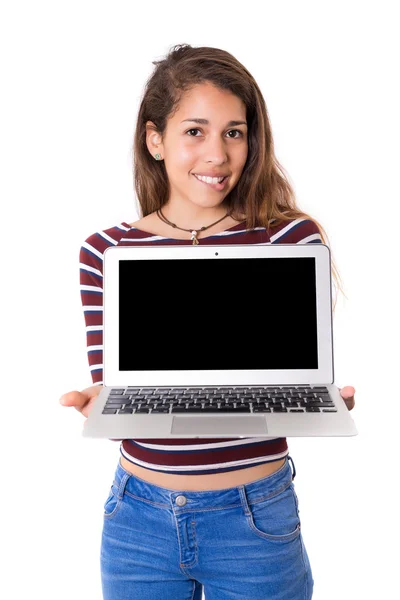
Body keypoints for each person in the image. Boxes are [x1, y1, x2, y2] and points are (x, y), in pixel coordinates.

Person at [59, 44, 356, 600]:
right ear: (155, 140)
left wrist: (315, 397)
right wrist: (99, 401)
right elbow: (120, 394)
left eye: (234, 132)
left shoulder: (288, 241)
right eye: (195, 131)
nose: (217, 154)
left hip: (255, 520)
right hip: (137, 520)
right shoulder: (107, 250)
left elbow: (292, 369)